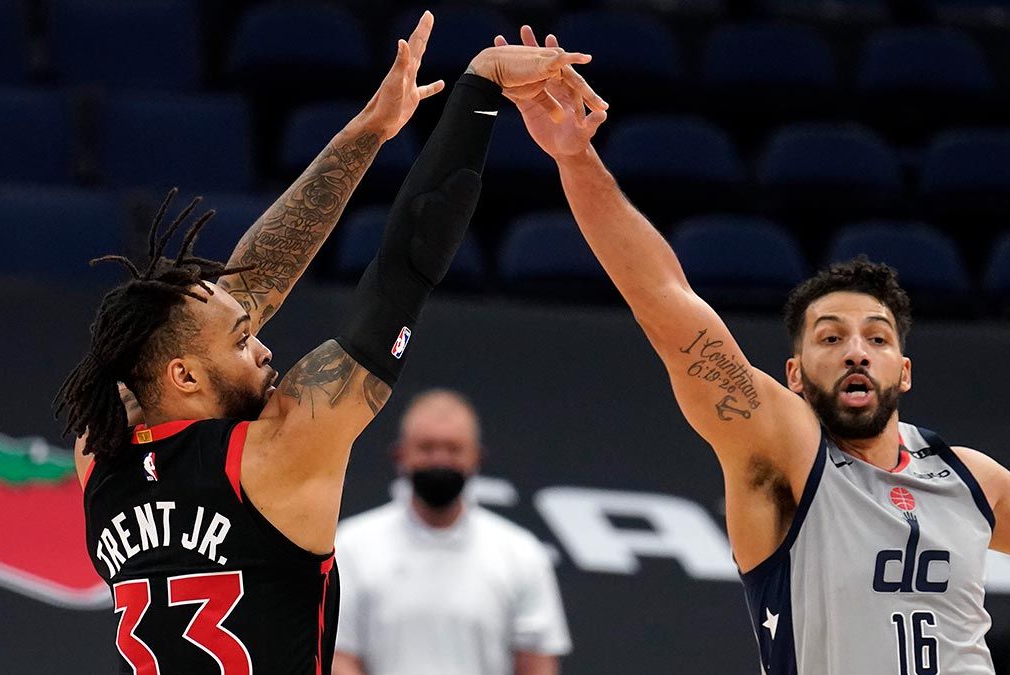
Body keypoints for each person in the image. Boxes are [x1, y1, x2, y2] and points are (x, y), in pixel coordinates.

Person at [495, 23, 1010, 675]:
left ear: (904, 370)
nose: (857, 350)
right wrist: (575, 159)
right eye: (831, 336)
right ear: (796, 374)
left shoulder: (970, 479)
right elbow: (665, 301)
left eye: (877, 338)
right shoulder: (782, 451)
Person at [54, 13, 600, 673]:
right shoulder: (279, 450)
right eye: (242, 341)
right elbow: (404, 266)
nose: (262, 347)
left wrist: (369, 129)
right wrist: (479, 88)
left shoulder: (101, 456)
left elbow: (246, 288)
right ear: (186, 377)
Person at [331, 389, 571, 675]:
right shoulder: (351, 547)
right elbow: (339, 656)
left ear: (477, 457)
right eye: (427, 447)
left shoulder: (521, 553)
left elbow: (537, 664)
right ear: (399, 454)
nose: (440, 460)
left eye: (453, 448)